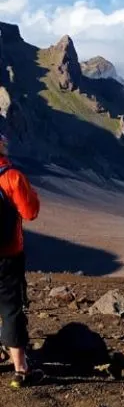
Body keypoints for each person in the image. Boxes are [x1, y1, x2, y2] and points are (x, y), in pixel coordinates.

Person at [0, 129, 41, 387]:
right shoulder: (12, 177)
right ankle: (20, 370)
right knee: (11, 308)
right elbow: (30, 212)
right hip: (7, 255)